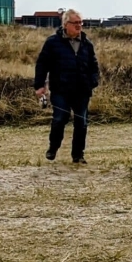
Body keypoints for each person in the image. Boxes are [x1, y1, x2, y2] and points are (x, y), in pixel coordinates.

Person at [33, 9, 100, 163]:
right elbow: (42, 64)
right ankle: (53, 147)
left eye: (80, 22)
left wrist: (92, 81)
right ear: (65, 24)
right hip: (60, 90)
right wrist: (39, 85)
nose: (79, 26)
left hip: (82, 91)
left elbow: (94, 66)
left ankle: (78, 155)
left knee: (81, 123)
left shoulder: (87, 44)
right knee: (60, 119)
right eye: (75, 23)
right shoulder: (52, 43)